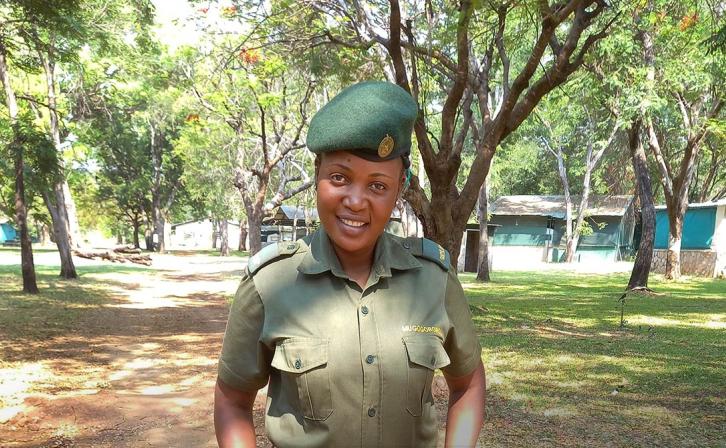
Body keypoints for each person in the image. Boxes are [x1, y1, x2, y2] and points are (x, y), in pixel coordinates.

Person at [214, 81, 485, 448]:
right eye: (339, 178)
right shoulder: (269, 283)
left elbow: (467, 383)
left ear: (400, 188)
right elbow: (232, 399)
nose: (355, 202)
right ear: (317, 176)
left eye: (377, 185)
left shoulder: (434, 279)